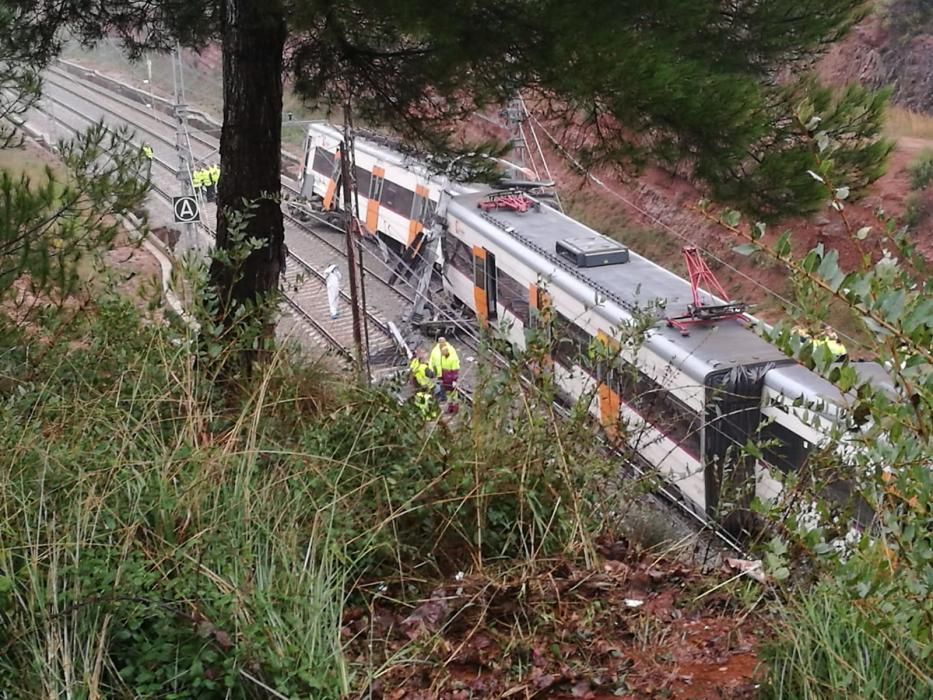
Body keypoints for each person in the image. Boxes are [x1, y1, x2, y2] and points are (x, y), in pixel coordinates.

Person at [428, 337, 460, 410]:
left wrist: (454, 380)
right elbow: (432, 361)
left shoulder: (451, 352)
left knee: (453, 394)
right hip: (443, 376)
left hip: (450, 377)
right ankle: (449, 406)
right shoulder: (435, 351)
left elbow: (455, 369)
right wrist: (432, 371)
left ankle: (455, 407)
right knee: (447, 392)